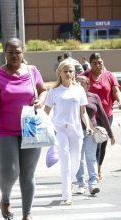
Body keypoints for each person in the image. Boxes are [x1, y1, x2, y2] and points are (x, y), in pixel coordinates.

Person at [0, 38, 47, 220]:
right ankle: (5, 198)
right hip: (5, 131)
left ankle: (27, 214)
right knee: (10, 171)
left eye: (17, 52)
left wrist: (40, 101)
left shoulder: (32, 71)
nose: (14, 55)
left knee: (28, 174)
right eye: (10, 52)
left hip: (30, 128)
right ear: (5, 53)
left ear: (23, 52)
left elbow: (43, 90)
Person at [44, 59, 93, 206]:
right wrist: (46, 127)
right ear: (59, 73)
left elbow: (83, 112)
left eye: (71, 71)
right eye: (65, 71)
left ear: (74, 73)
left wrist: (88, 126)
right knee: (65, 161)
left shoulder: (79, 90)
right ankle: (67, 195)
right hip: (60, 130)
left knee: (76, 162)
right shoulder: (53, 91)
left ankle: (69, 183)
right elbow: (46, 111)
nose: (68, 74)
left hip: (76, 130)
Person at [80, 52, 121, 181]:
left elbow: (115, 90)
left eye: (100, 62)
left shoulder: (109, 76)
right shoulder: (84, 76)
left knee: (102, 143)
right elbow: (73, 85)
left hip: (106, 114)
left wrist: (119, 101)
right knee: (94, 143)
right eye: (95, 63)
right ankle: (92, 171)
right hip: (90, 115)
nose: (98, 65)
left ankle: (98, 168)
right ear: (90, 64)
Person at [75, 75, 115, 195]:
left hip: (90, 132)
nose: (80, 85)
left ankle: (93, 184)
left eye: (82, 83)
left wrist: (111, 134)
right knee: (79, 159)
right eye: (77, 83)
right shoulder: (72, 97)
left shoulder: (94, 97)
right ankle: (81, 184)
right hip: (75, 132)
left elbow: (103, 115)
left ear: (88, 85)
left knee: (91, 157)